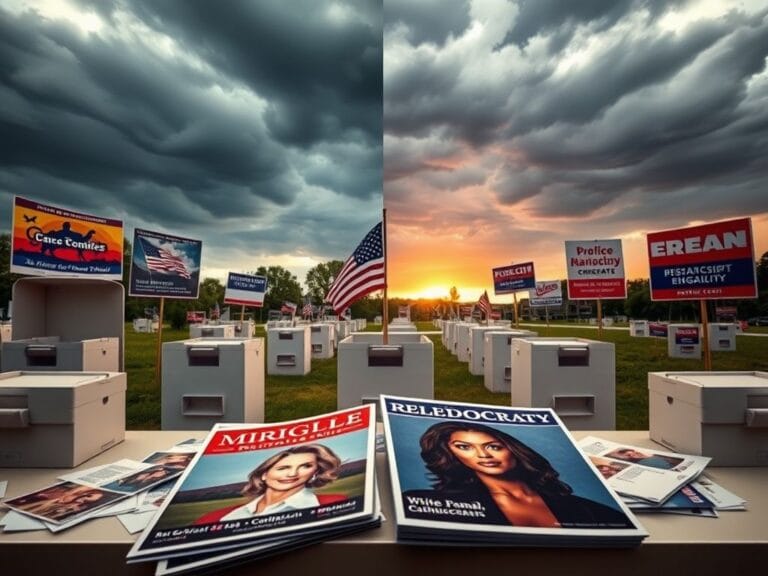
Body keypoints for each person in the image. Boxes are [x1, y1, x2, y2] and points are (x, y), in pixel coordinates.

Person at [404, 422, 632, 528]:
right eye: (464, 447)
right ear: (451, 454)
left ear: (514, 450)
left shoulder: (594, 512)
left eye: (493, 446)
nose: (483, 455)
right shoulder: (422, 502)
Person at [194, 444, 347, 525]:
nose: (292, 474)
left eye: (305, 466)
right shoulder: (215, 518)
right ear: (264, 474)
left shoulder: (334, 503)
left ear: (315, 472)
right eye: (283, 468)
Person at [604, 447, 682, 470]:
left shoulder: (653, 455)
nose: (633, 455)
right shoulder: (646, 462)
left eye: (633, 452)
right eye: (629, 455)